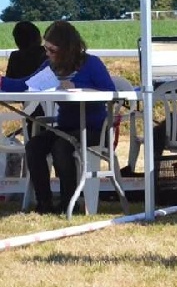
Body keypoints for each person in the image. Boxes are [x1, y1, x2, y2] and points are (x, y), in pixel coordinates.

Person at [0, 21, 116, 214]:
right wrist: (2, 81)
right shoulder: (50, 66)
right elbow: (25, 85)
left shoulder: (92, 64)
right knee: (34, 147)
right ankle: (44, 204)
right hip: (64, 127)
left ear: (67, 48)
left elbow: (111, 93)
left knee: (60, 147)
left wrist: (79, 89)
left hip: (94, 129)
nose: (48, 54)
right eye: (46, 49)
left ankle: (69, 203)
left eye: (52, 50)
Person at [5, 21, 48, 137]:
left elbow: (10, 82)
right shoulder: (47, 54)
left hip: (29, 111)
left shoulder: (15, 56)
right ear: (37, 36)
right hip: (50, 110)